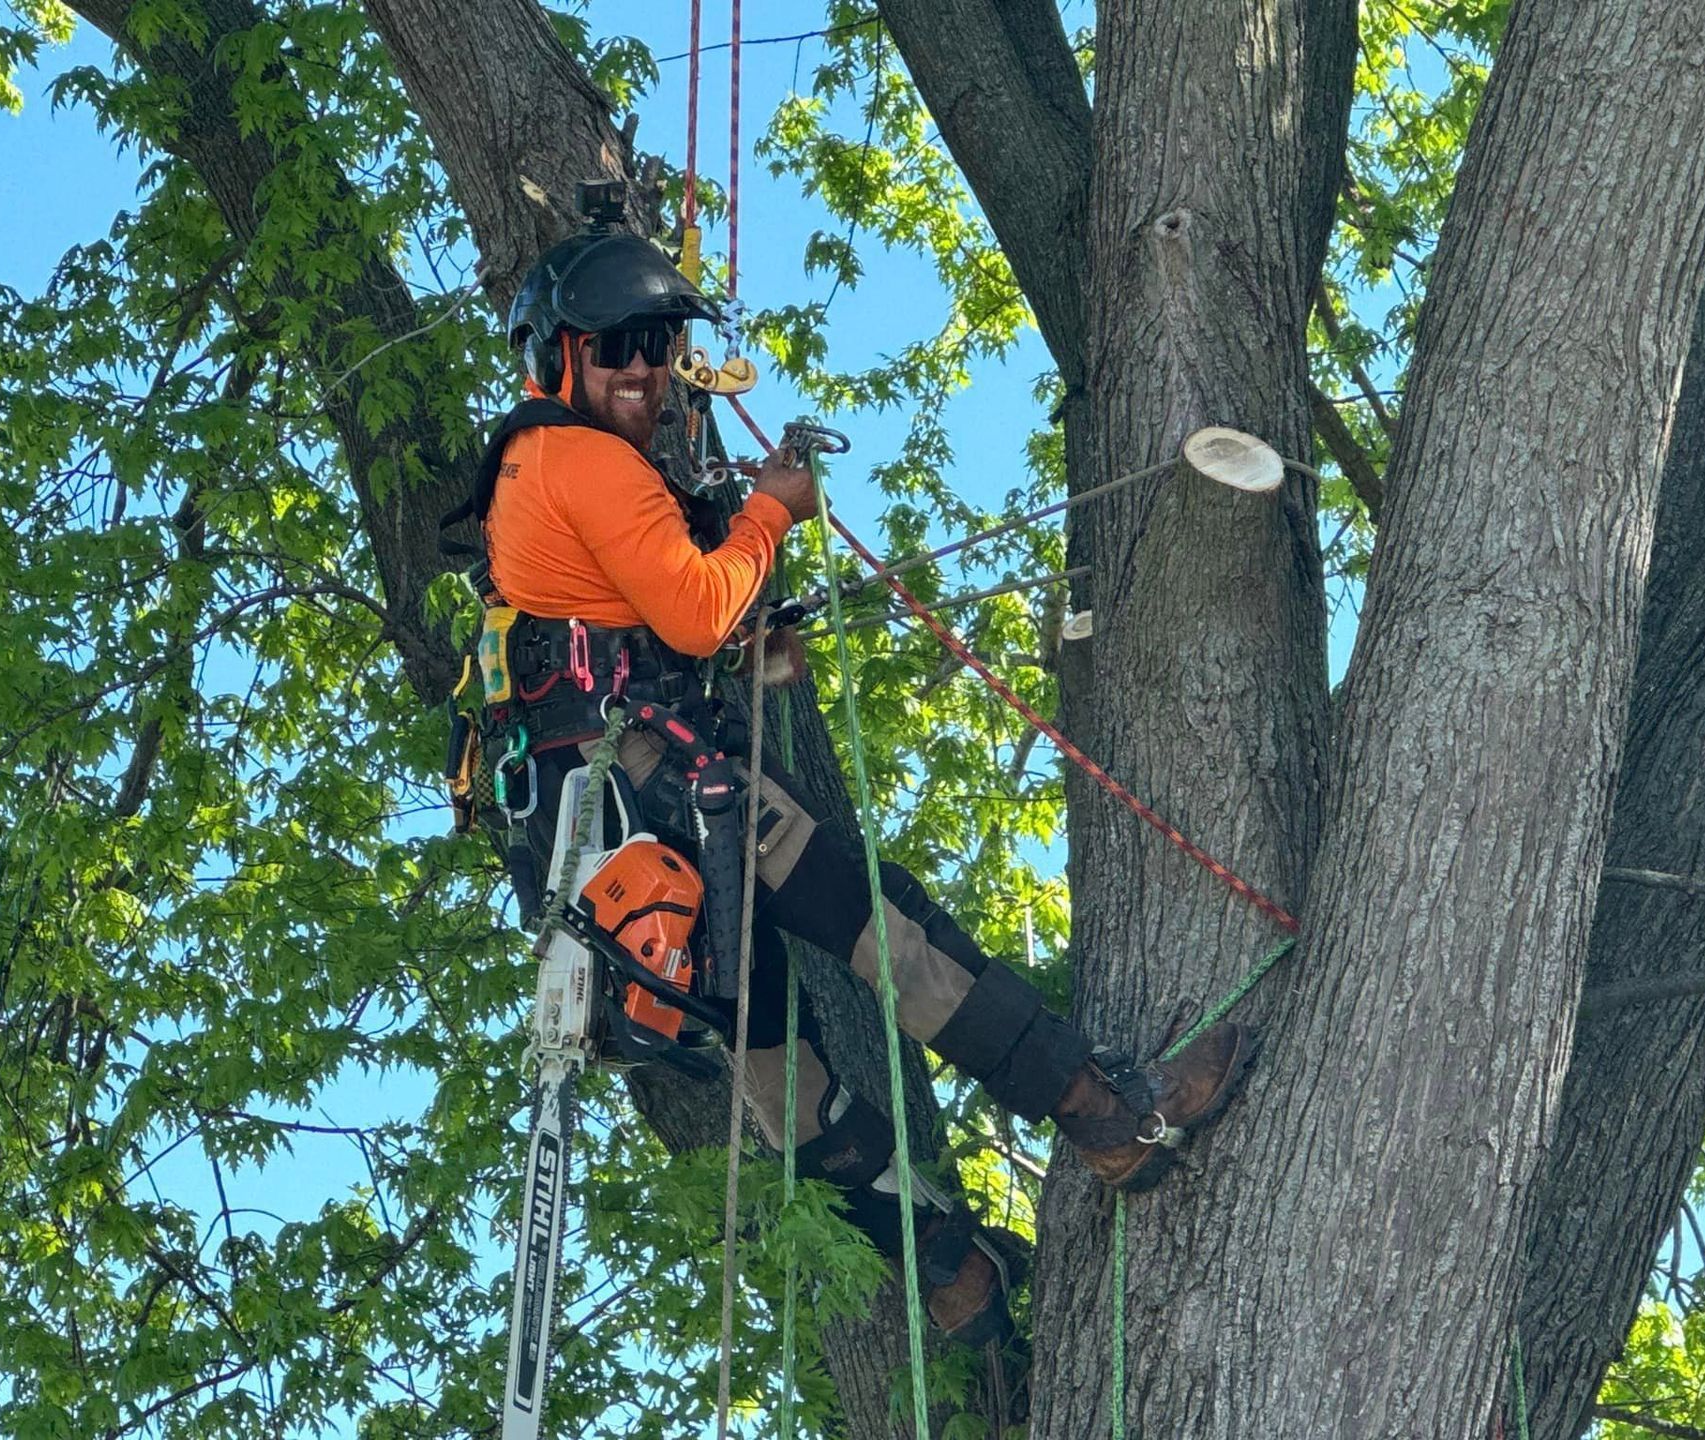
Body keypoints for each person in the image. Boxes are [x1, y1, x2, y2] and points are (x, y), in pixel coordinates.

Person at [448, 222, 1257, 1347]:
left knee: (783, 1081)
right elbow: (693, 606)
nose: (643, 366)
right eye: (618, 342)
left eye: (658, 341)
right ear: (560, 358)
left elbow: (653, 626)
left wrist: (743, 624)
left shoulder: (537, 478)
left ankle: (961, 1289)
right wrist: (772, 508)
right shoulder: (575, 456)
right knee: (894, 932)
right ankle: (1108, 1114)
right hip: (666, 798)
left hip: (609, 837)